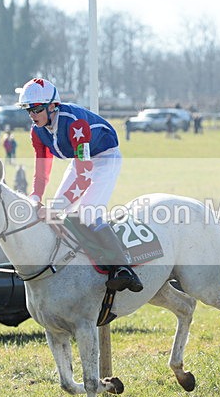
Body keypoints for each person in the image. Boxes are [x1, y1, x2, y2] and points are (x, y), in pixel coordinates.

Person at [18, 77, 142, 293]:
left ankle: (124, 268)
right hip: (80, 160)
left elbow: (84, 179)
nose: (32, 115)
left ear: (52, 106)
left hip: (105, 158)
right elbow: (42, 171)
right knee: (59, 213)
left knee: (87, 213)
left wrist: (54, 207)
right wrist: (35, 198)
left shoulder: (76, 124)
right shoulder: (37, 131)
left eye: (36, 109)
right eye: (28, 110)